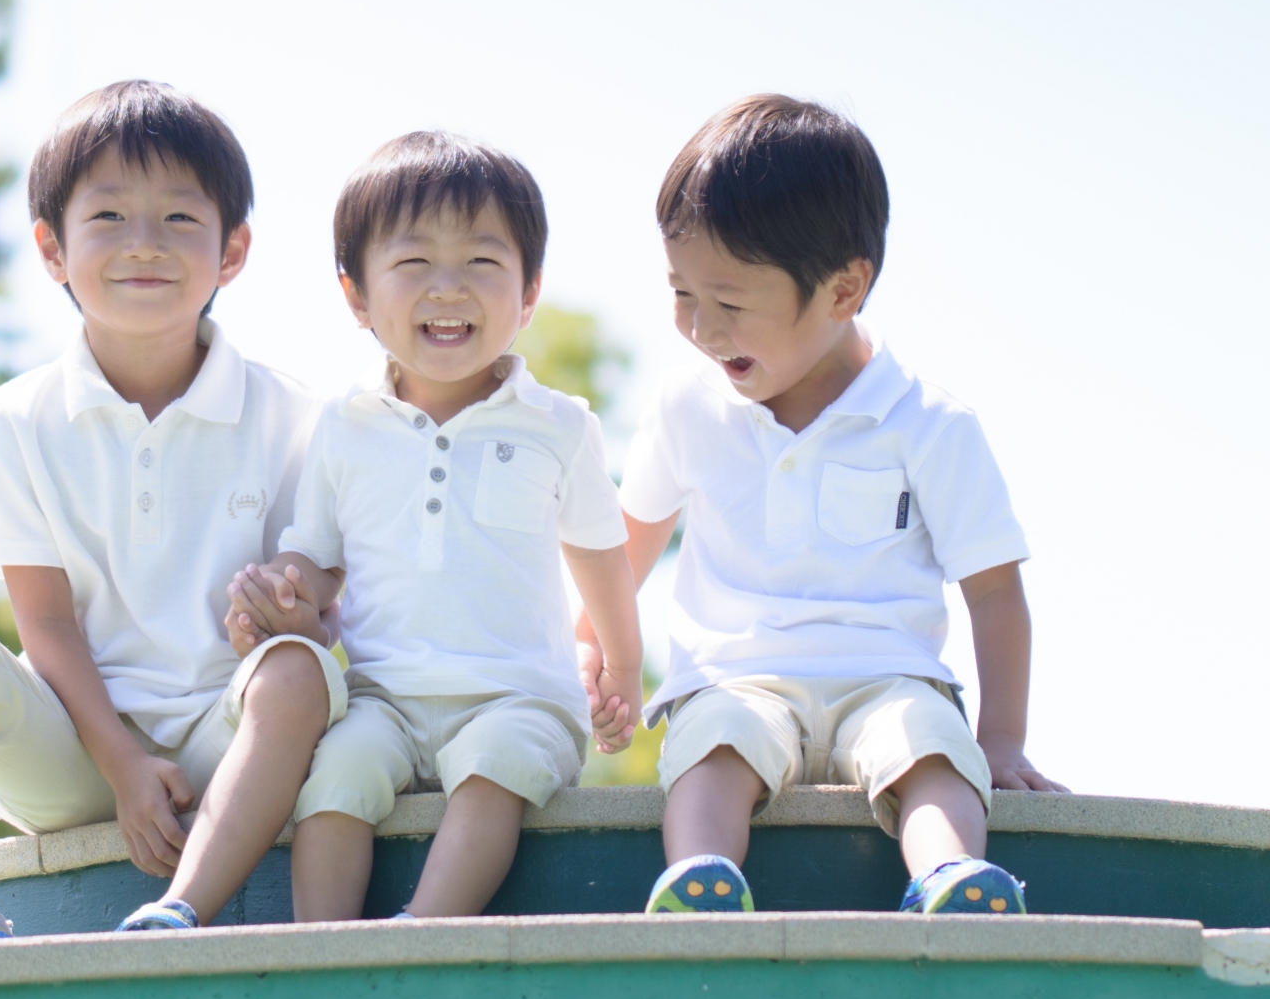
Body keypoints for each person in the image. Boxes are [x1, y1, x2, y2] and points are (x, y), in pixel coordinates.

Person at [0, 79, 346, 942]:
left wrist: (292, 619)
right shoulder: (18, 415)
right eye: (109, 218)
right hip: (75, 748)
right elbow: (45, 626)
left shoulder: (296, 415)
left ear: (231, 252)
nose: (144, 246)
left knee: (300, 674)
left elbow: (321, 606)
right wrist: (123, 764)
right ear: (52, 249)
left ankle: (178, 911)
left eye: (178, 220)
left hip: (229, 739)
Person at [586, 94, 1067, 918]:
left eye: (730, 303)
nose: (699, 328)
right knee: (712, 749)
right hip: (736, 679)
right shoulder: (685, 407)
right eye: (680, 293)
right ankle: (702, 883)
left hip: (888, 676)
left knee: (928, 749)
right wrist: (589, 649)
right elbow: (625, 546)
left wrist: (1002, 740)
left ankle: (952, 880)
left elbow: (994, 593)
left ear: (844, 289)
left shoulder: (928, 423)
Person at [226, 131, 644, 921]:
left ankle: (424, 932)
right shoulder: (342, 426)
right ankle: (326, 947)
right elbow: (316, 560)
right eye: (414, 264)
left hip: (520, 697)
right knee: (335, 780)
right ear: (356, 295)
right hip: (384, 697)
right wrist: (280, 594)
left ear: (528, 293)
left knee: (493, 771)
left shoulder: (560, 425)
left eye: (483, 264)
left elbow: (601, 555)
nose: (448, 290)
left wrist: (619, 667)